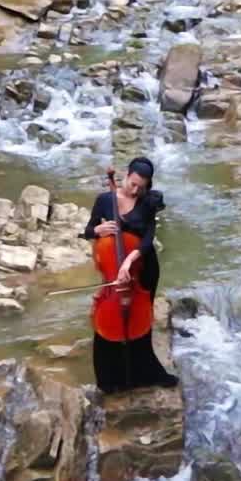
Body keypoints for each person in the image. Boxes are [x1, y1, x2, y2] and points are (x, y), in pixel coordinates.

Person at [81, 156, 179, 394]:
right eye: (133, 183)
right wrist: (97, 229)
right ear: (126, 175)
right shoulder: (105, 200)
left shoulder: (148, 201)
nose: (135, 190)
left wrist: (129, 261)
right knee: (107, 323)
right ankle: (110, 379)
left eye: (141, 187)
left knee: (140, 323)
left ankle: (146, 373)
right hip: (113, 268)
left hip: (142, 268)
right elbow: (86, 231)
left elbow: (147, 239)